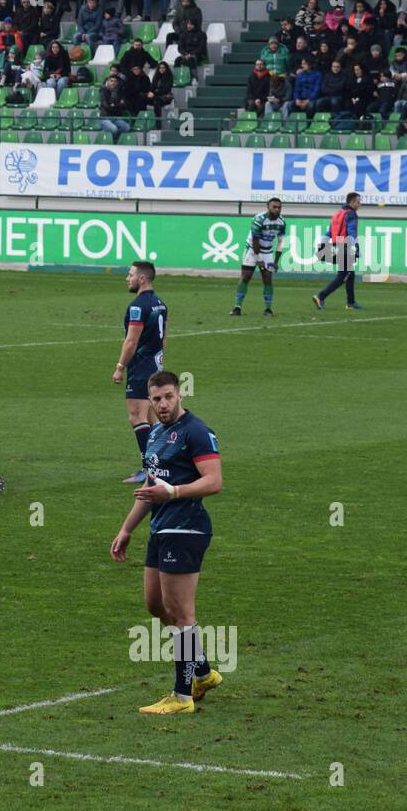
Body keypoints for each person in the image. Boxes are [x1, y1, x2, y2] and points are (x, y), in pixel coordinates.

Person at [109, 370, 223, 715]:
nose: (162, 404)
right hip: (161, 529)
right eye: (156, 399)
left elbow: (214, 481)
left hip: (187, 529)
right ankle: (201, 672)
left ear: (180, 395)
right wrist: (127, 529)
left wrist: (172, 492)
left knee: (182, 613)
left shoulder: (197, 432)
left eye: (168, 397)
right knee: (156, 606)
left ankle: (182, 696)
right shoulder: (156, 435)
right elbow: (149, 492)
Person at [112, 260, 168, 482]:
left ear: (142, 279)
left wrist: (119, 367)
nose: (128, 278)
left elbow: (131, 340)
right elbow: (164, 338)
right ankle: (164, 467)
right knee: (156, 421)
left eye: (131, 274)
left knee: (137, 416)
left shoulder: (137, 306)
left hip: (140, 368)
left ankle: (148, 470)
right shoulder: (160, 303)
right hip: (155, 366)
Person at [231, 198, 285, 317]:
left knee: (267, 279)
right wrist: (258, 258)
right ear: (268, 207)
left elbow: (281, 242)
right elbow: (255, 240)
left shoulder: (281, 222)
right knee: (246, 277)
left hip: (267, 252)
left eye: (279, 207)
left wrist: (276, 261)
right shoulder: (259, 220)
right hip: (251, 250)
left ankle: (268, 309)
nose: (277, 209)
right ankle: (237, 307)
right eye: (274, 207)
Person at [312, 192, 363, 311]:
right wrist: (355, 248)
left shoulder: (337, 215)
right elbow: (351, 232)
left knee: (350, 275)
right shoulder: (351, 214)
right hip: (346, 246)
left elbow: (329, 232)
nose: (360, 204)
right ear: (352, 202)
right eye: (358, 201)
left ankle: (350, 302)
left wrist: (322, 245)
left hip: (339, 245)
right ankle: (320, 296)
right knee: (343, 276)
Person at [98, 72, 131, 138]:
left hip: (116, 118)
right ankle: (111, 141)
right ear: (108, 81)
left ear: (117, 83)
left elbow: (126, 105)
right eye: (111, 81)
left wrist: (114, 105)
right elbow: (106, 106)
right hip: (105, 117)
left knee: (126, 128)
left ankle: (115, 140)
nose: (113, 83)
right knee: (114, 129)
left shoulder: (120, 92)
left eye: (115, 81)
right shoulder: (103, 91)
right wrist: (118, 105)